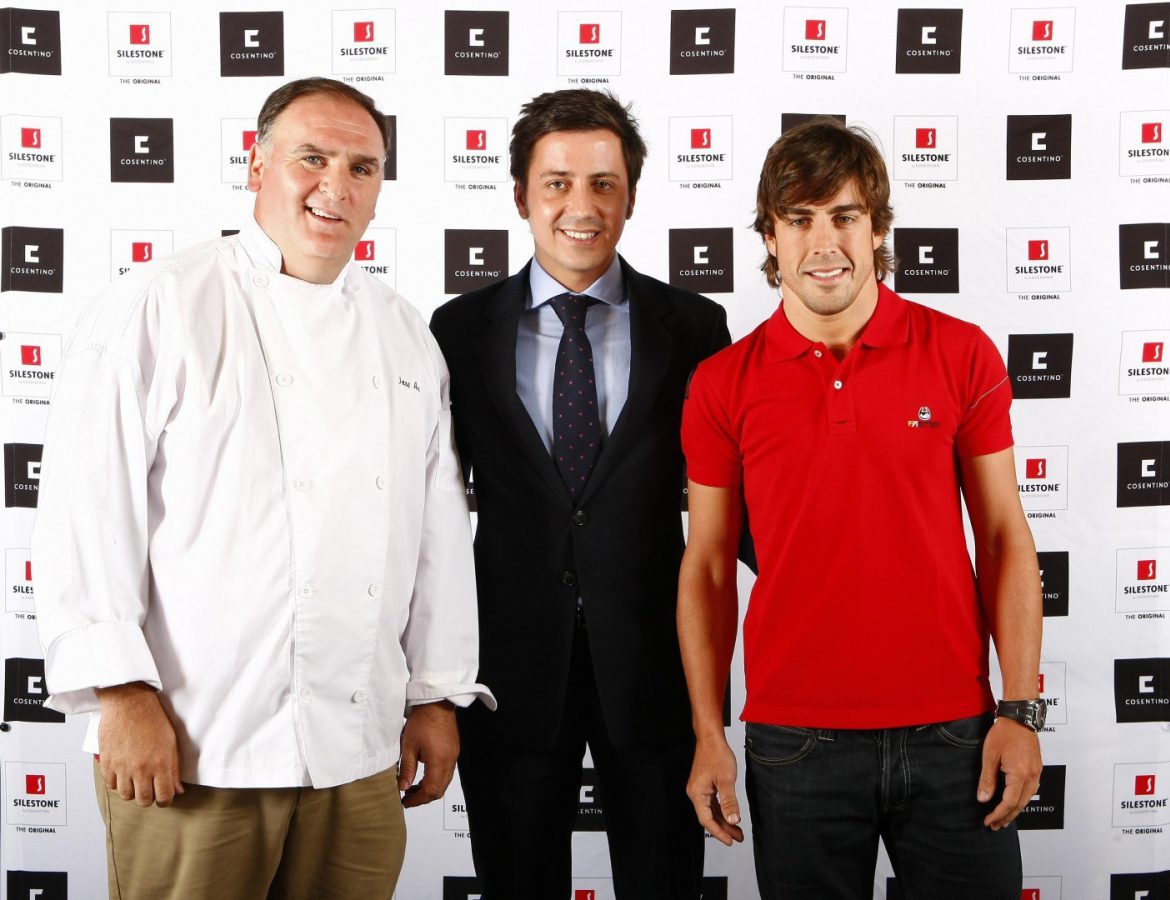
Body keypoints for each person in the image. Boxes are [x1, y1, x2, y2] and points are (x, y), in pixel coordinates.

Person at [32, 77, 493, 900]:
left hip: (355, 748)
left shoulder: (402, 333)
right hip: (197, 742)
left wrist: (434, 694)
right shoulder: (160, 303)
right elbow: (85, 512)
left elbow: (435, 530)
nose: (336, 186)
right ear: (256, 164)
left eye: (362, 167)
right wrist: (122, 692)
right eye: (311, 159)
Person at [678, 117, 1044, 899]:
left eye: (843, 216)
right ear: (769, 236)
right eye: (799, 219)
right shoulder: (722, 382)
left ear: (875, 227)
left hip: (957, 733)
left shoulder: (960, 352)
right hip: (792, 741)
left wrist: (1019, 706)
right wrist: (709, 733)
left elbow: (1005, 534)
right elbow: (707, 565)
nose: (823, 243)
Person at [430, 89, 729, 899]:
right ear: (521, 195)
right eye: (556, 182)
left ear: (630, 195)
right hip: (507, 675)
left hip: (657, 675)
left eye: (603, 183)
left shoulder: (696, 328)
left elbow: (729, 504)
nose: (581, 206)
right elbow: (420, 512)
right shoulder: (456, 331)